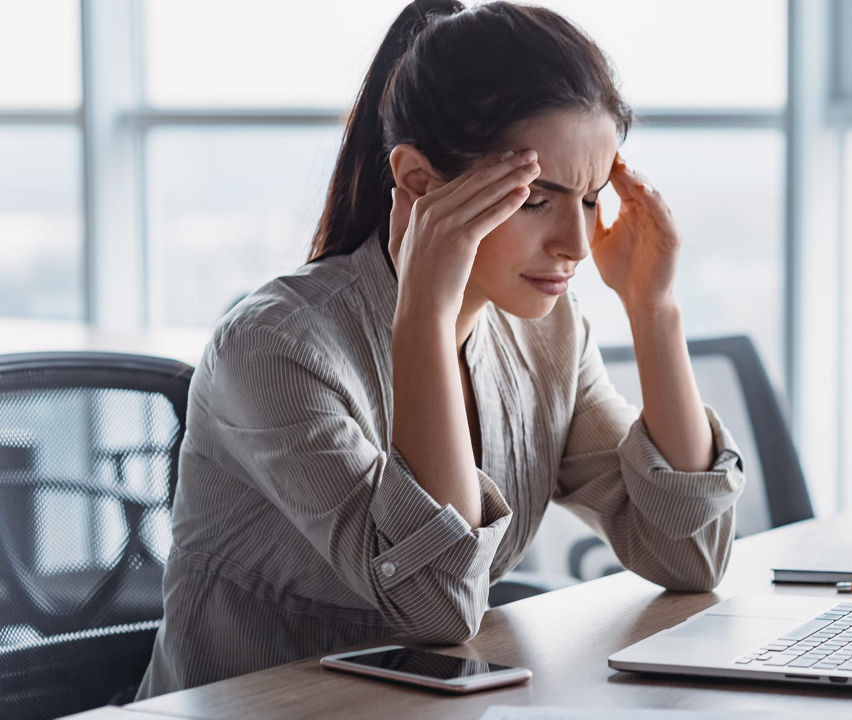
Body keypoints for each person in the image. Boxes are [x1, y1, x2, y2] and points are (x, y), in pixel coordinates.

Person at [136, 0, 745, 698]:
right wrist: (425, 315)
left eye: (590, 199)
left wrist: (654, 309)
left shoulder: (549, 334)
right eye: (535, 200)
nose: (577, 246)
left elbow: (690, 553)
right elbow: (437, 607)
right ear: (421, 185)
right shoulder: (276, 348)